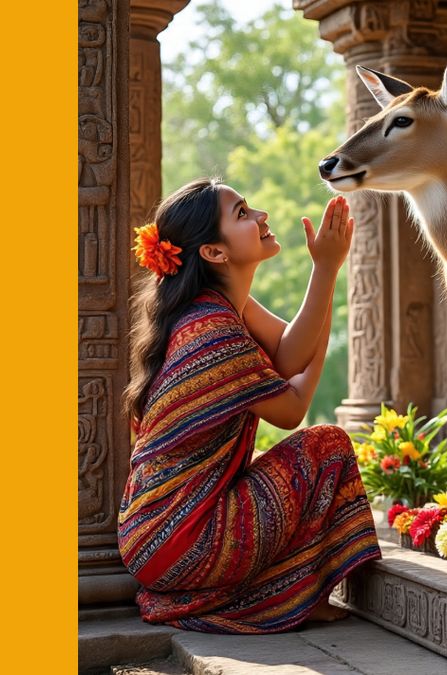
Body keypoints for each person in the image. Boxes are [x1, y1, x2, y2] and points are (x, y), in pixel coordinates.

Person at [117, 177, 381, 633]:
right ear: (214, 253)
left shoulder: (216, 307)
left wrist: (327, 270)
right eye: (242, 213)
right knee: (327, 447)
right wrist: (326, 272)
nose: (262, 217)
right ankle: (288, 597)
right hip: (179, 540)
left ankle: (281, 595)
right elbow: (293, 406)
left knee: (274, 460)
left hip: (156, 537)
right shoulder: (212, 330)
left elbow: (288, 352)